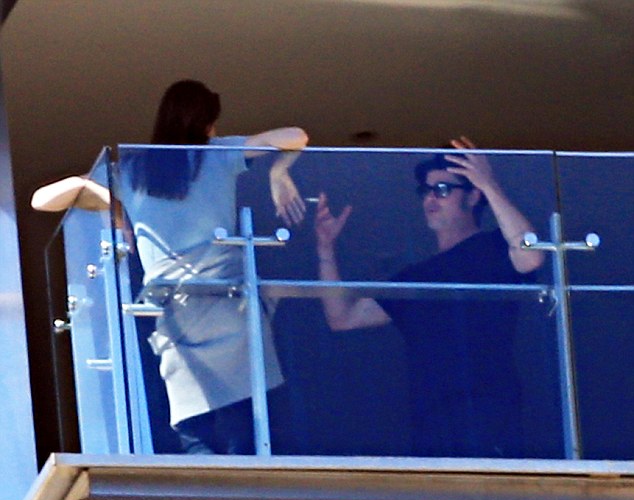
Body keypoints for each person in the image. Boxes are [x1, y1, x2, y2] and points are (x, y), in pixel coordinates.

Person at [33, 79, 309, 455]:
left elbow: (42, 199)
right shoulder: (218, 152)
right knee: (245, 430)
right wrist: (279, 173)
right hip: (230, 307)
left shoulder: (133, 169)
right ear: (207, 124)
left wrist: (112, 202)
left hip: (177, 313)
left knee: (195, 431)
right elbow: (296, 136)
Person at [314, 137, 545, 458]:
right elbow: (342, 318)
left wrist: (488, 184)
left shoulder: (494, 248)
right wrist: (325, 248)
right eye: (425, 191)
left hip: (489, 414)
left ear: (472, 196)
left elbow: (531, 254)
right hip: (432, 423)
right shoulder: (415, 278)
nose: (430, 199)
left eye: (443, 190)